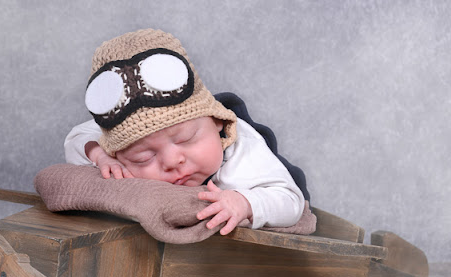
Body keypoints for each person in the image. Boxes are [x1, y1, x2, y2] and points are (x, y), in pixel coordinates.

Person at [64, 29, 305, 236]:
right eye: (143, 157)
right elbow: (77, 137)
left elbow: (289, 202)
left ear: (217, 120)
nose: (172, 161)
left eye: (186, 139)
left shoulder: (243, 151)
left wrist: (246, 203)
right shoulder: (119, 135)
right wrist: (100, 156)